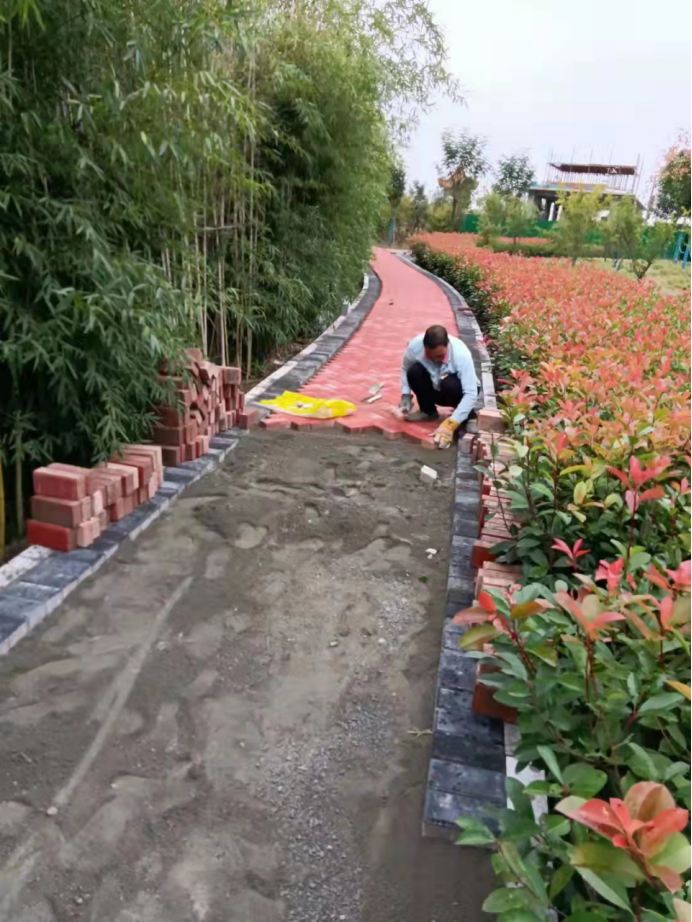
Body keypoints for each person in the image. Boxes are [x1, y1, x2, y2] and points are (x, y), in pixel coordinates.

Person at [400, 324, 478, 449]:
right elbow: (405, 368)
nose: (435, 360)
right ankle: (428, 411)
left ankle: (469, 417)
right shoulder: (415, 346)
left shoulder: (461, 354)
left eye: (439, 356)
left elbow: (471, 393)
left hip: (455, 390)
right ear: (424, 347)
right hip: (435, 386)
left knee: (450, 383)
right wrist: (406, 394)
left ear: (447, 345)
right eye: (430, 355)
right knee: (414, 371)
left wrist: (450, 424)